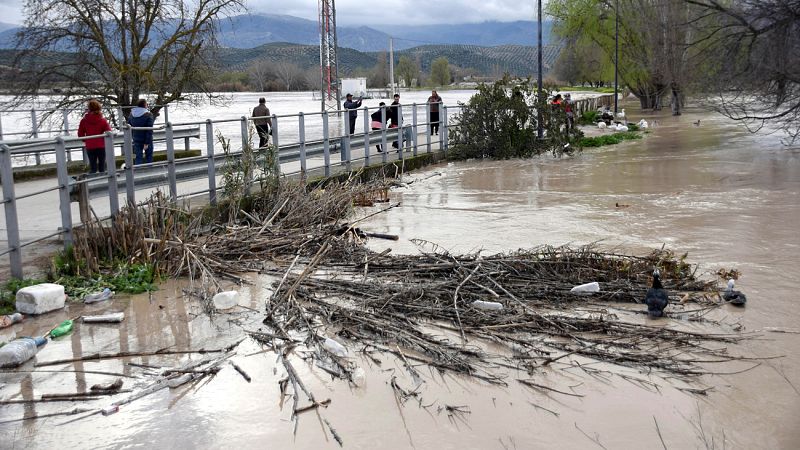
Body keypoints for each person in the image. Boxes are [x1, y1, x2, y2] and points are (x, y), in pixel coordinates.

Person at [77, 99, 112, 174]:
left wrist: (86, 140)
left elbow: (80, 134)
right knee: (102, 166)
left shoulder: (84, 120)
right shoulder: (103, 120)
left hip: (90, 145)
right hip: (101, 145)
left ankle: (92, 181)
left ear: (89, 108)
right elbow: (109, 132)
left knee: (93, 166)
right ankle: (103, 181)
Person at [127, 99, 155, 164]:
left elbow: (129, 125)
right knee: (149, 157)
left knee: (138, 157)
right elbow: (149, 129)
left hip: (136, 138)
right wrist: (147, 142)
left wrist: (133, 136)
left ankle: (138, 172)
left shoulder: (131, 114)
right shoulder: (148, 114)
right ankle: (149, 171)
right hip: (146, 139)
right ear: (145, 105)